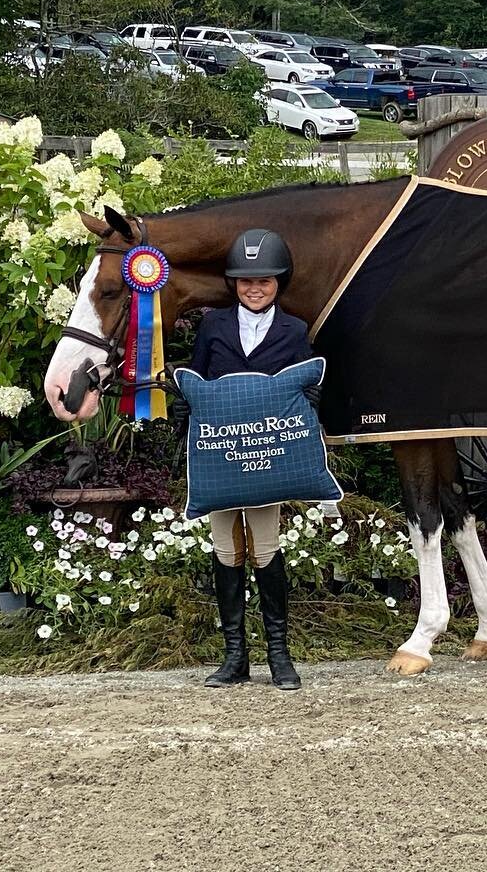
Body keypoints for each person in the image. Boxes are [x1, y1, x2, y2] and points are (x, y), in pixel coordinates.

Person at [173, 228, 314, 691]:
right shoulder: (213, 327)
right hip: (221, 454)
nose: (255, 288)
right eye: (246, 281)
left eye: (265, 280)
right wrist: (184, 406)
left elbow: (303, 389)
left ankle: (279, 655)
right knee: (226, 551)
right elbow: (198, 379)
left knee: (267, 549)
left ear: (279, 283)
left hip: (267, 455)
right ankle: (235, 655)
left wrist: (313, 398)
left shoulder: (294, 331)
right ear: (234, 283)